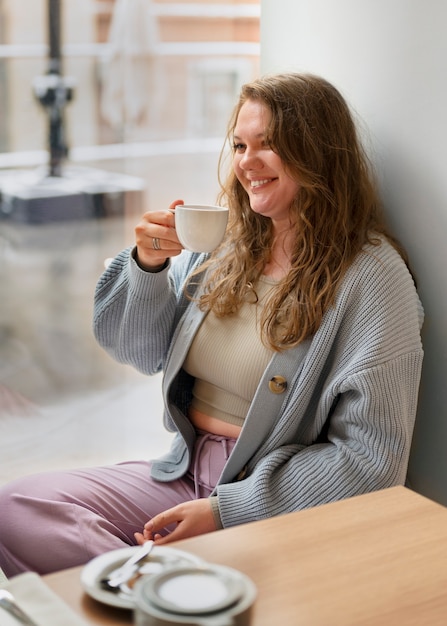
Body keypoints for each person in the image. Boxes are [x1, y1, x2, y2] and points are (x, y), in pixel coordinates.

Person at [0, 73, 424, 576]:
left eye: (270, 145)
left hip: (270, 496)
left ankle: (171, 586)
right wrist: (148, 267)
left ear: (318, 152)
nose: (247, 162)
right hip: (183, 472)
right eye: (240, 144)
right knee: (16, 508)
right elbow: (137, 349)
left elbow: (371, 459)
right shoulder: (228, 246)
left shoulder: (372, 277)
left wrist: (226, 512)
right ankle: (174, 588)